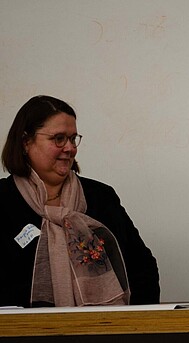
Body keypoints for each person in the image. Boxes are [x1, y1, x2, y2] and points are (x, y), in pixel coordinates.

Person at [0, 95, 160, 307]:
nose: (69, 148)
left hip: (105, 333)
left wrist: (132, 325)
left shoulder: (101, 197)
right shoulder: (2, 200)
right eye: (58, 138)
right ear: (25, 141)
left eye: (73, 138)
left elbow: (143, 268)